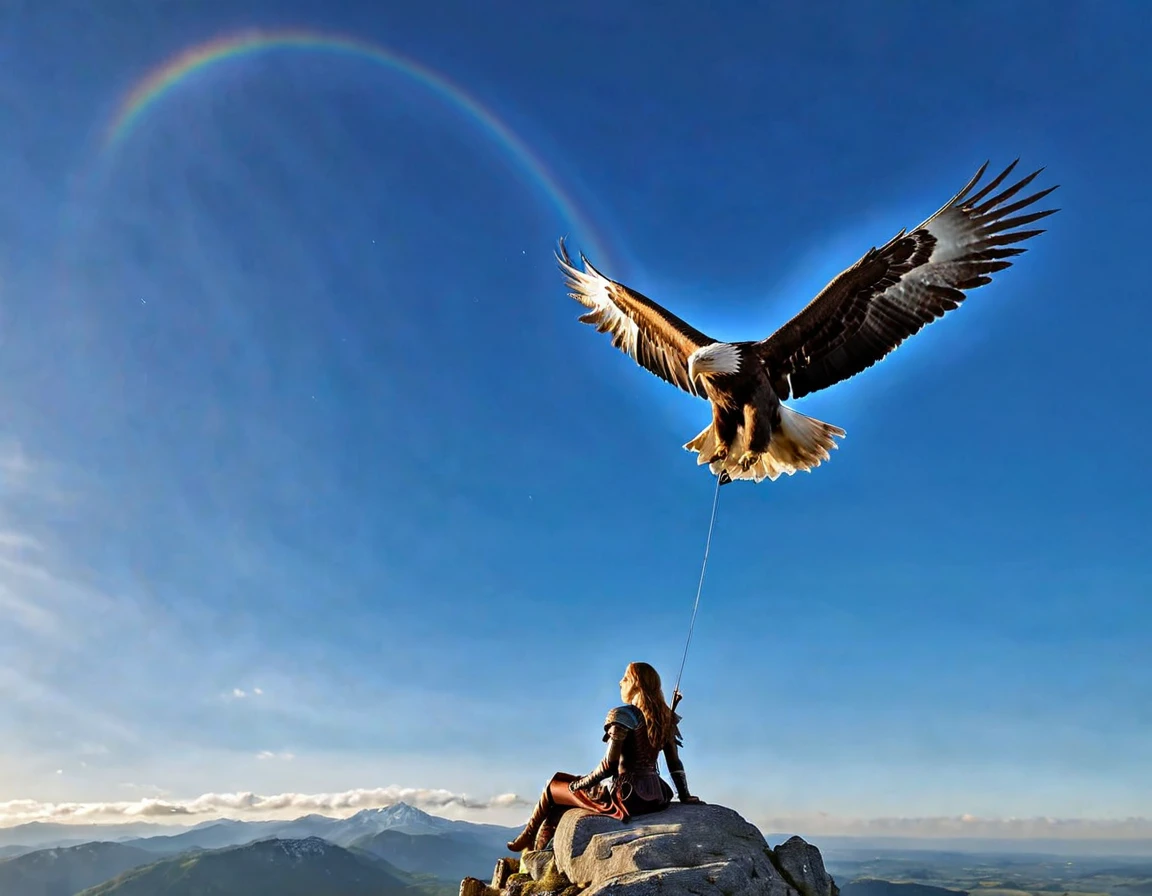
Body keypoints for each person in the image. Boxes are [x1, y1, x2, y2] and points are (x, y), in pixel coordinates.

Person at [506, 661, 702, 853]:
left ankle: (528, 836)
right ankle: (539, 853)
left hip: (627, 797)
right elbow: (674, 762)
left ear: (636, 683)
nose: (620, 682)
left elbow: (609, 766)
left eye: (625, 678)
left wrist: (580, 784)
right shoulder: (664, 718)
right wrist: (684, 795)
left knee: (554, 785)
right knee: (559, 804)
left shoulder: (623, 715)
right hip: (656, 797)